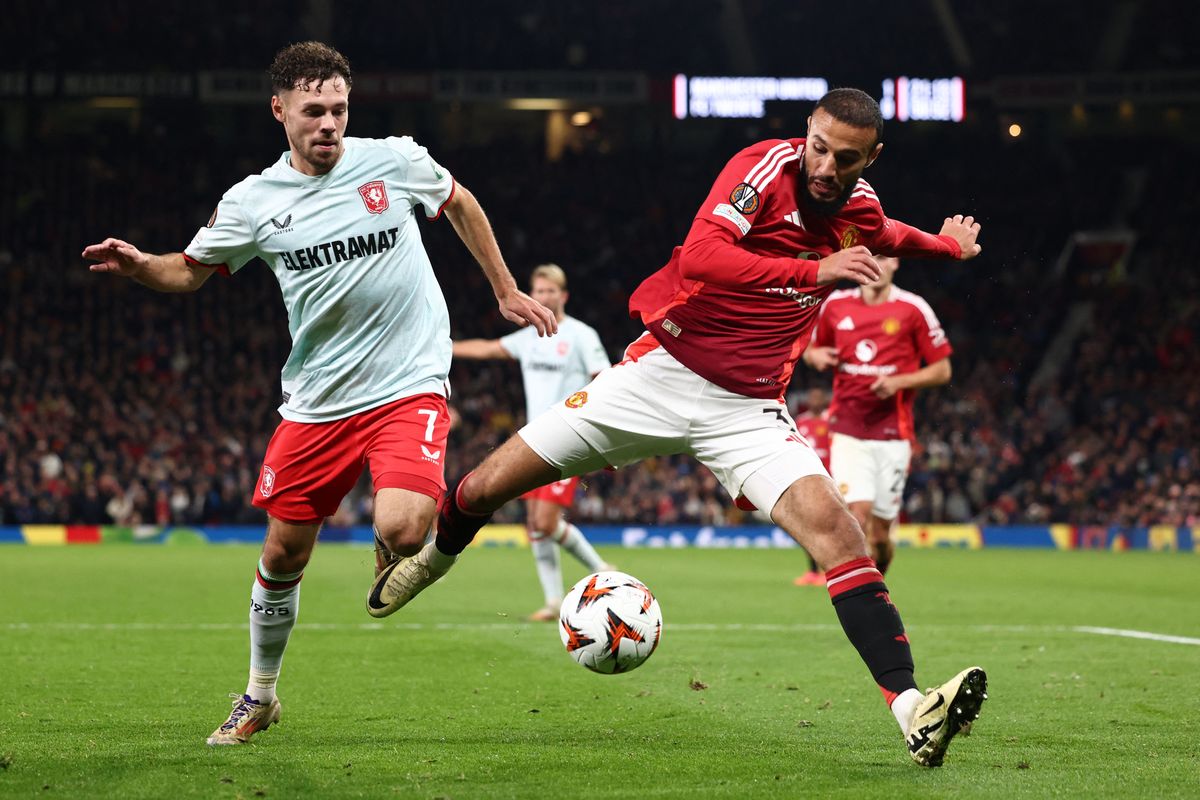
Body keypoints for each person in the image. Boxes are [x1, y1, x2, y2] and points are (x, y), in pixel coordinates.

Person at [372, 88, 988, 767]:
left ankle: (911, 711)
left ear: (871, 157)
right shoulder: (763, 170)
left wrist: (945, 246)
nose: (825, 166)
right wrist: (814, 270)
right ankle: (432, 561)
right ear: (806, 132)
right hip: (658, 375)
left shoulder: (860, 208)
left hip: (747, 410)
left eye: (845, 158)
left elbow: (889, 234)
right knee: (486, 484)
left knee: (840, 533)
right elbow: (701, 257)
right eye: (818, 146)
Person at [81, 41, 556, 746]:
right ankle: (260, 696)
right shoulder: (253, 202)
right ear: (280, 112)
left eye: (338, 108)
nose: (328, 122)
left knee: (403, 528)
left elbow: (460, 203)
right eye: (313, 111)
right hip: (318, 401)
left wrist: (506, 289)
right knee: (282, 556)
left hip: (407, 382)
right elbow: (187, 272)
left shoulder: (393, 160)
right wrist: (139, 266)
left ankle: (390, 543)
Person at [452, 263, 614, 621]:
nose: (542, 297)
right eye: (537, 291)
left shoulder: (582, 336)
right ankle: (554, 601)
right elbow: (490, 349)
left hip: (572, 435)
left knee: (544, 521)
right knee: (535, 524)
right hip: (534, 440)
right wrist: (446, 347)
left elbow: (604, 378)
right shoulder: (529, 337)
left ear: (563, 295)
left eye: (549, 291)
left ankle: (603, 570)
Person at [802, 255, 952, 575]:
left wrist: (901, 381)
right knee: (856, 516)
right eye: (870, 257)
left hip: (893, 434)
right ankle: (863, 596)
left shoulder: (913, 309)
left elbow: (942, 370)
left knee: (881, 536)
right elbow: (807, 346)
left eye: (884, 258)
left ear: (897, 262)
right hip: (847, 429)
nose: (877, 265)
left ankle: (878, 581)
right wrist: (815, 356)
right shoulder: (836, 305)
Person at [792, 387, 832, 586]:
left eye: (818, 396)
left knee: (828, 526)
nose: (814, 399)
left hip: (831, 480)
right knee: (807, 526)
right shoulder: (800, 421)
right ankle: (813, 572)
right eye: (811, 396)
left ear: (825, 399)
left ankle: (829, 570)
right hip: (806, 478)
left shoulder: (832, 420)